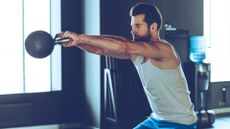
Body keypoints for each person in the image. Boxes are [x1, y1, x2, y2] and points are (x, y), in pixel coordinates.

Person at [60, 2, 197, 129]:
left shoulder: (164, 49)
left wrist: (81, 37)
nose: (132, 31)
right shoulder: (136, 52)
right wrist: (76, 42)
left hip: (180, 123)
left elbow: (124, 46)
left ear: (153, 27)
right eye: (132, 26)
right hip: (156, 120)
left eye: (138, 26)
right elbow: (100, 50)